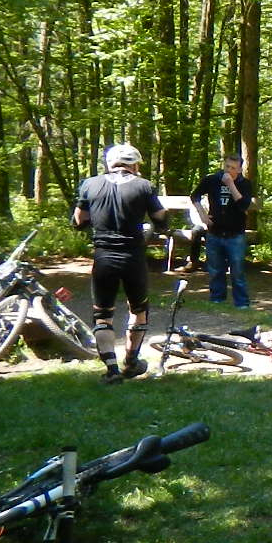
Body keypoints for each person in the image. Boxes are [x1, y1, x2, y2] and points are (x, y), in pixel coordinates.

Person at [72, 143, 172, 385]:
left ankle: (111, 369)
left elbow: (78, 220)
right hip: (133, 256)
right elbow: (160, 217)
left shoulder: (90, 184)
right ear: (134, 165)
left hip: (103, 256)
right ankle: (130, 362)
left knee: (102, 315)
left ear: (109, 163)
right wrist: (162, 226)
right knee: (138, 310)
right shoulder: (144, 185)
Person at [191, 153, 259, 308]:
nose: (228, 170)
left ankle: (241, 303)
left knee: (237, 272)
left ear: (240, 169)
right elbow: (195, 195)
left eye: (233, 168)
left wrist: (231, 185)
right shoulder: (212, 180)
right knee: (215, 270)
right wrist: (202, 214)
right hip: (214, 232)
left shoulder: (245, 184)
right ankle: (217, 299)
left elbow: (243, 206)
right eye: (227, 166)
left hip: (235, 235)